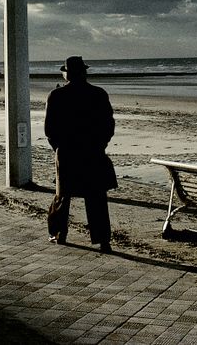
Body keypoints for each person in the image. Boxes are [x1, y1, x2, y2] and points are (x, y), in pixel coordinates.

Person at [44, 56, 117, 253]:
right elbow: (109, 125)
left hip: (67, 152)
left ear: (66, 74)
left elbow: (49, 129)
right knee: (97, 198)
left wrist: (58, 147)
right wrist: (101, 145)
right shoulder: (99, 94)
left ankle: (59, 234)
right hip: (93, 152)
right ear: (84, 72)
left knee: (62, 196)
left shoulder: (56, 95)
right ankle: (103, 240)